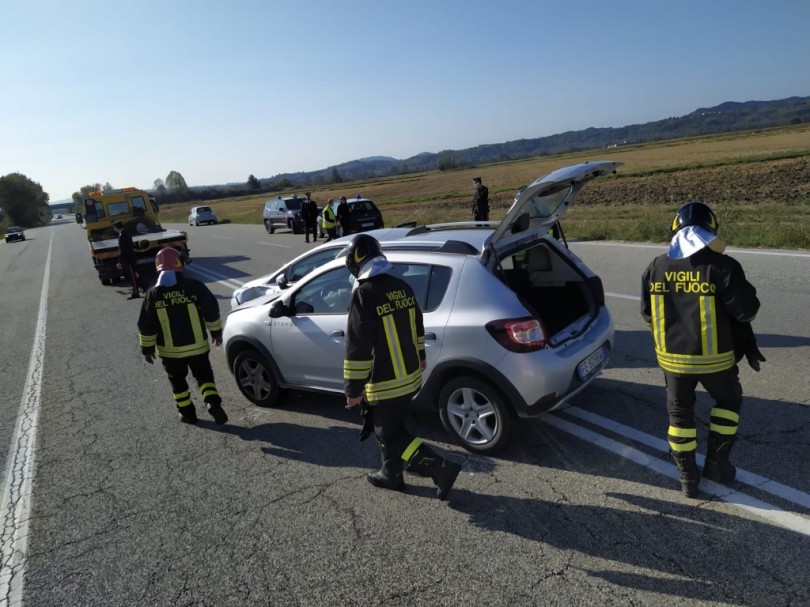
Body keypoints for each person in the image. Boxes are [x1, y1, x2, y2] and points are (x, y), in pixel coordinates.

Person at [641, 201, 763, 498]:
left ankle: (687, 477)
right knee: (728, 403)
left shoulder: (656, 266)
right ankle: (717, 465)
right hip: (716, 361)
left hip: (672, 364)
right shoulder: (723, 266)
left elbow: (648, 315)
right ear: (711, 230)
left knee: (679, 417)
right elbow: (747, 312)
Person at [343, 234, 461, 500]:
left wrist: (353, 389)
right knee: (390, 427)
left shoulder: (363, 294)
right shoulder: (401, 286)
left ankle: (440, 469)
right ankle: (391, 474)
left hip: (385, 381)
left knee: (388, 432)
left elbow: (357, 346)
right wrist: (420, 355)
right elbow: (417, 325)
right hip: (409, 376)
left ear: (354, 263)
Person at [137, 247, 228, 425]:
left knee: (178, 383)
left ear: (158, 267)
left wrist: (147, 349)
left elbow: (146, 325)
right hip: (198, 347)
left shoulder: (153, 295)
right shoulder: (195, 287)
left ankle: (188, 414)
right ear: (180, 265)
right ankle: (211, 402)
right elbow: (211, 311)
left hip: (170, 353)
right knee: (204, 376)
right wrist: (216, 333)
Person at [112, 220, 140, 299]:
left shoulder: (122, 236)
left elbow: (123, 250)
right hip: (130, 257)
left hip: (128, 259)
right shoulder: (126, 233)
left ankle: (136, 293)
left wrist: (119, 261)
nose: (114, 229)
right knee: (132, 275)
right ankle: (138, 289)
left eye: (114, 227)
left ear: (116, 227)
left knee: (132, 276)